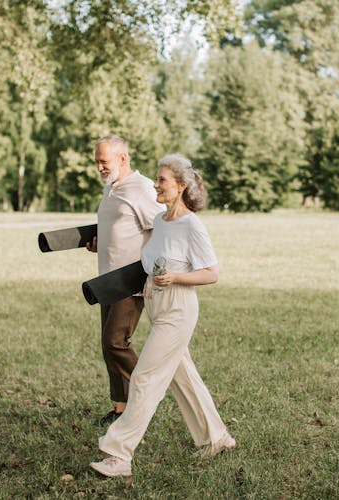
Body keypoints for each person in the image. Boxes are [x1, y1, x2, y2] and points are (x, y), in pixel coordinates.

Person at [90, 154, 235, 478]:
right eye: (156, 179)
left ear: (181, 186)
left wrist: (177, 278)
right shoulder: (161, 221)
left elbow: (212, 273)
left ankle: (118, 456)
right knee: (184, 378)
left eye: (162, 180)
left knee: (144, 378)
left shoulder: (190, 225)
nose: (155, 185)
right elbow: (148, 260)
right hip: (158, 307)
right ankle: (217, 437)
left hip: (178, 310)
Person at [87, 135, 164, 426]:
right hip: (106, 279)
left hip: (129, 280)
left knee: (115, 341)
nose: (99, 168)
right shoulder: (112, 188)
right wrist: (99, 241)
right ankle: (121, 409)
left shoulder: (141, 188)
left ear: (122, 158)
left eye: (103, 161)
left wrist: (154, 270)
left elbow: (162, 228)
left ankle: (148, 395)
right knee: (108, 345)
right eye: (96, 162)